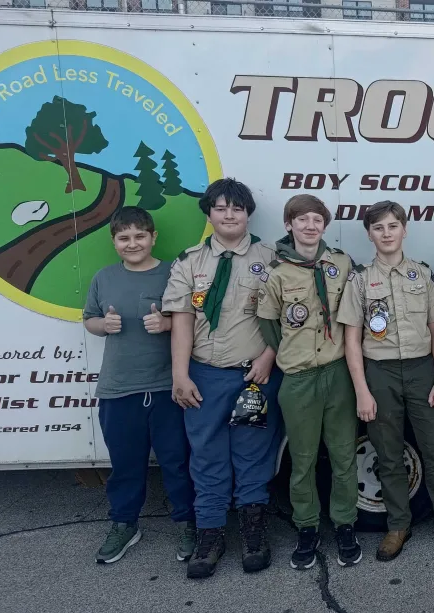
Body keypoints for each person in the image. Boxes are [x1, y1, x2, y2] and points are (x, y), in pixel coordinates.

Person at [337, 200, 434, 562]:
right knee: (389, 454)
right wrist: (362, 391)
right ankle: (398, 525)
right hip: (379, 373)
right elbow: (352, 340)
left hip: (422, 370)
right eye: (378, 228)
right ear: (369, 234)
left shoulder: (422, 275)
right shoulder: (360, 280)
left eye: (392, 226)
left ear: (404, 230)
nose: (386, 234)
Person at [162, 178, 284, 579]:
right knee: (207, 456)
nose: (229, 215)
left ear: (248, 213)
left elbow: (287, 316)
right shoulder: (190, 261)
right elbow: (182, 320)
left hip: (254, 377)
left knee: (253, 455)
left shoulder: (271, 258)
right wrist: (180, 374)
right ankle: (210, 535)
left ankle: (253, 534)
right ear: (209, 213)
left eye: (237, 208)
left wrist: (268, 358)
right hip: (204, 377)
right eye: (220, 208)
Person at [83, 207, 196, 565]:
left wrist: (166, 324)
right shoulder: (104, 278)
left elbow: (193, 318)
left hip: (167, 387)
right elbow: (89, 320)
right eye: (124, 238)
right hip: (119, 389)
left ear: (153, 237)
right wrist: (104, 326)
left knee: (177, 462)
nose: (132, 244)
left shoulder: (174, 273)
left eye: (139, 236)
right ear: (114, 241)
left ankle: (188, 523)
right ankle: (125, 524)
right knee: (125, 465)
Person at [256, 194, 361, 570]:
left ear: (324, 225)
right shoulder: (277, 272)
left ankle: (345, 524)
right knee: (302, 459)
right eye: (302, 220)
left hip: (337, 373)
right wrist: (291, 354)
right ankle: (307, 526)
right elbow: (269, 324)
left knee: (343, 455)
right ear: (289, 225)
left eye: (317, 219)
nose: (310, 226)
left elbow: (354, 313)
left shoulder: (341, 263)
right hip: (299, 377)